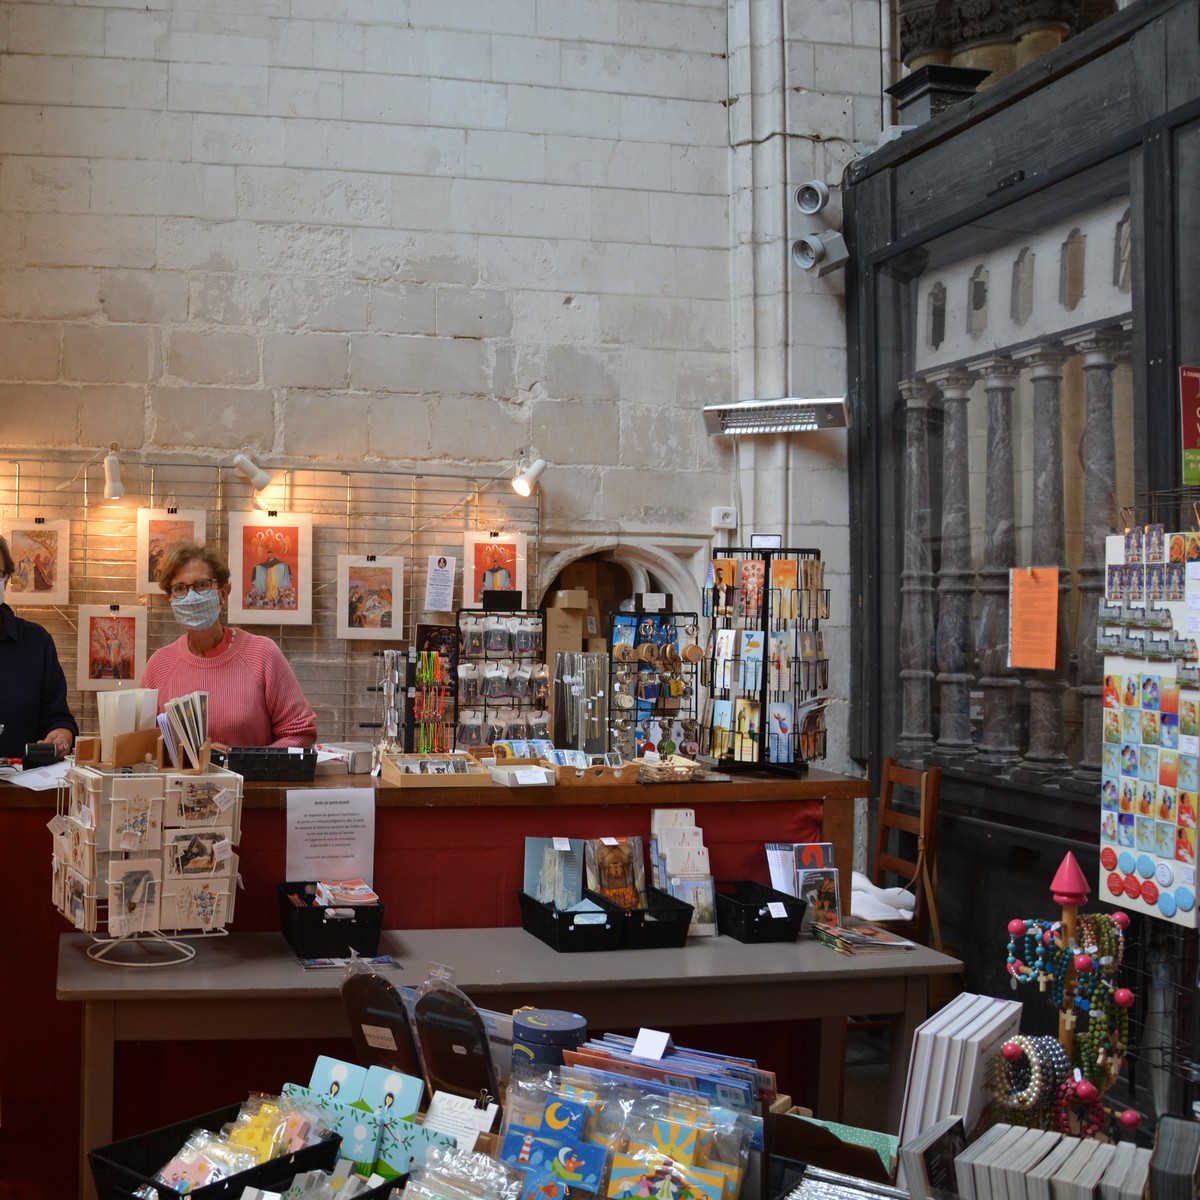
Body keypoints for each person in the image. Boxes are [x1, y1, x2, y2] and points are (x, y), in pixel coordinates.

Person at [140, 542, 317, 748]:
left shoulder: (262, 655)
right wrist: (195, 759)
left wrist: (238, 762)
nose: (191, 596)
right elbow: (141, 748)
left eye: (202, 585)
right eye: (180, 588)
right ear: (169, 598)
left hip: (251, 780)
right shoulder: (159, 665)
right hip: (182, 781)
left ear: (223, 593)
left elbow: (300, 734)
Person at [0, 536, 77, 760]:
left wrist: (62, 734)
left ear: (5, 580)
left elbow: (58, 717)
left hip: (23, 788)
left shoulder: (37, 642)